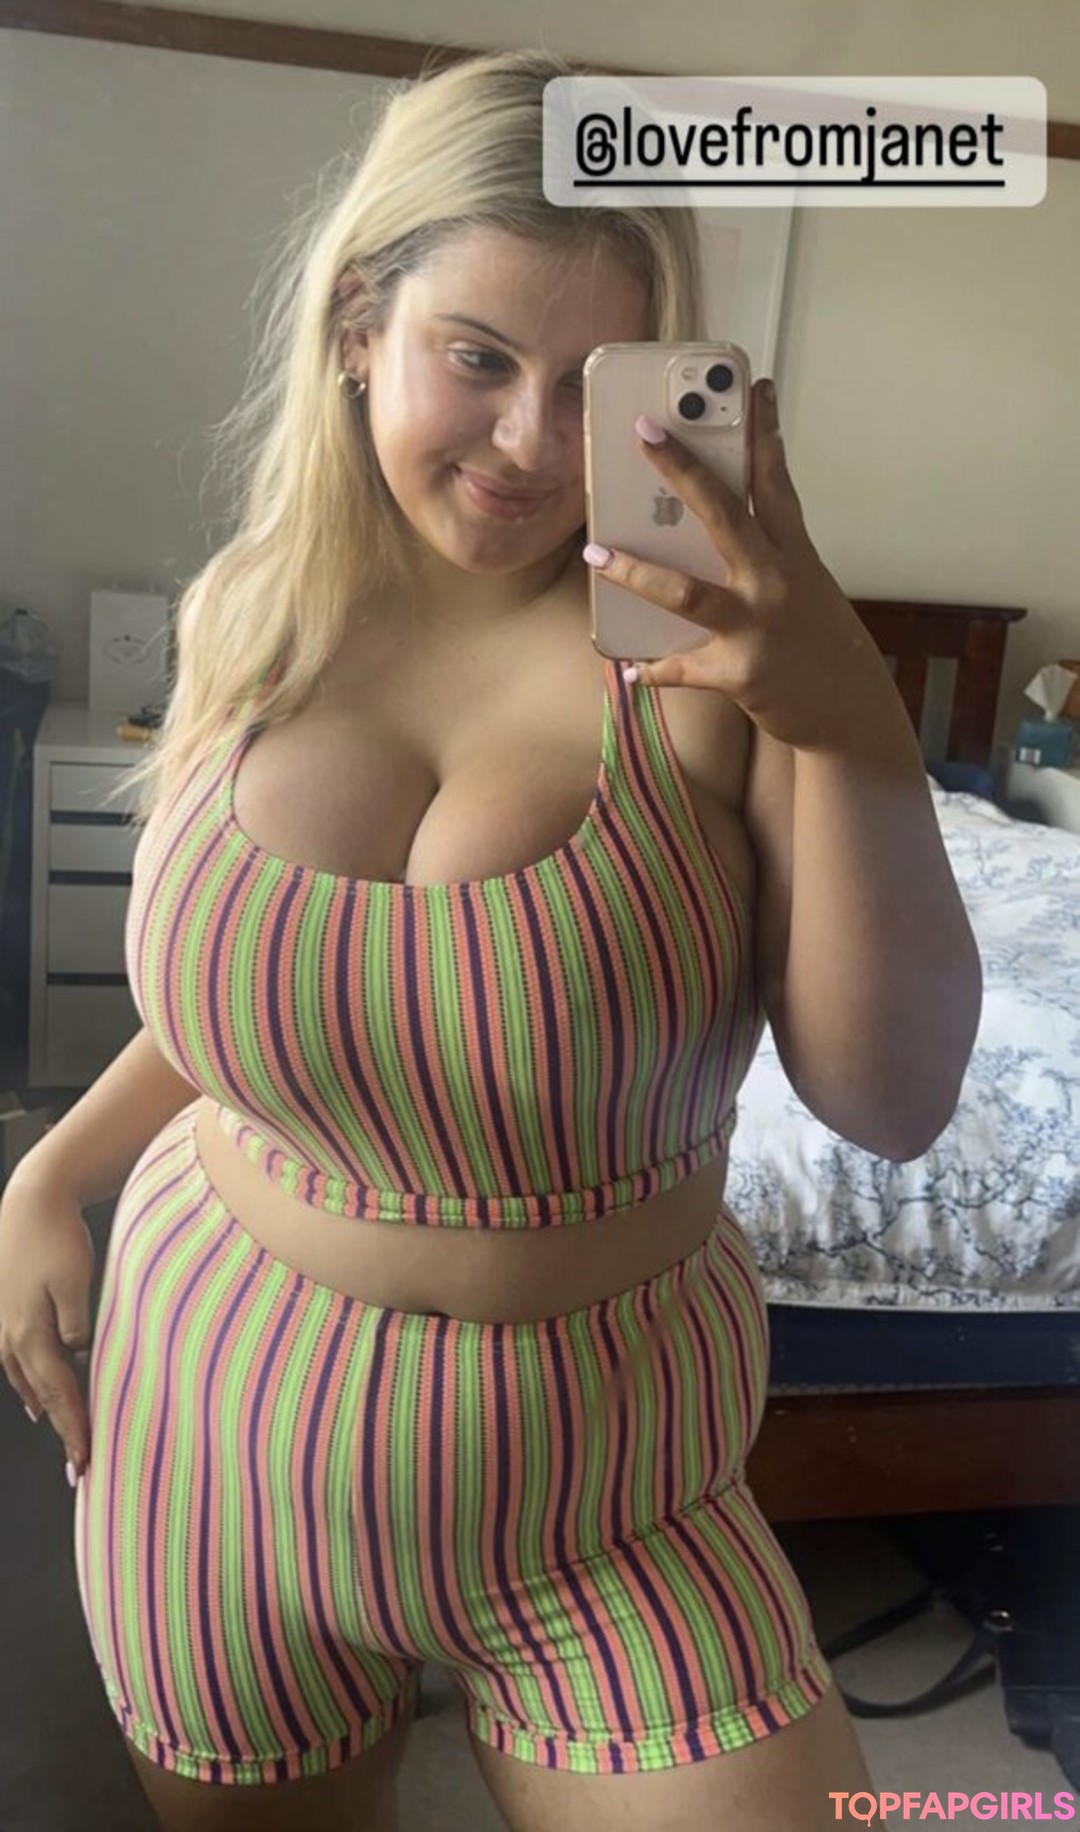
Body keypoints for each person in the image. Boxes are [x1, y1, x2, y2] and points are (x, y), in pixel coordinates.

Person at [0, 46, 981, 1832]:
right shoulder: (252, 616)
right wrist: (50, 1168)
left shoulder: (719, 664)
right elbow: (274, 1004)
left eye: (592, 384)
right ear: (359, 326)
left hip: (611, 1501)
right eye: (477, 359)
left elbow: (892, 1098)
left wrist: (849, 717)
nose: (531, 444)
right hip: (203, 1444)